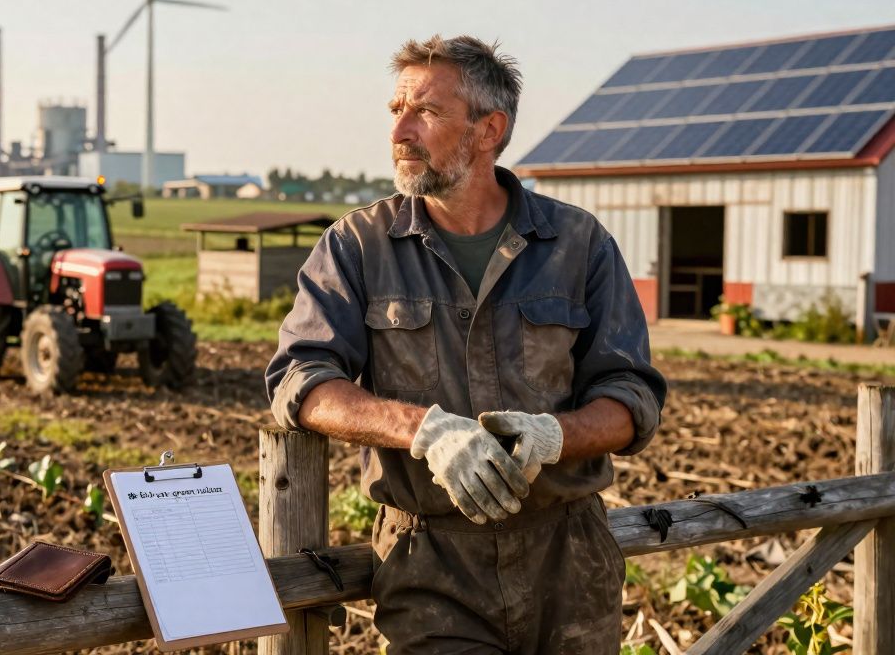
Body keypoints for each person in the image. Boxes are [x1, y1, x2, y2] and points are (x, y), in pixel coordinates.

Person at [265, 35, 667, 654]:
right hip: (430, 568)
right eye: (396, 109)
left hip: (569, 562)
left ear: (489, 129)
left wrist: (551, 437)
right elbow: (301, 380)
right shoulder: (357, 245)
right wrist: (427, 431)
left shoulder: (578, 243)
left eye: (425, 111)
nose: (399, 131)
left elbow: (632, 395)